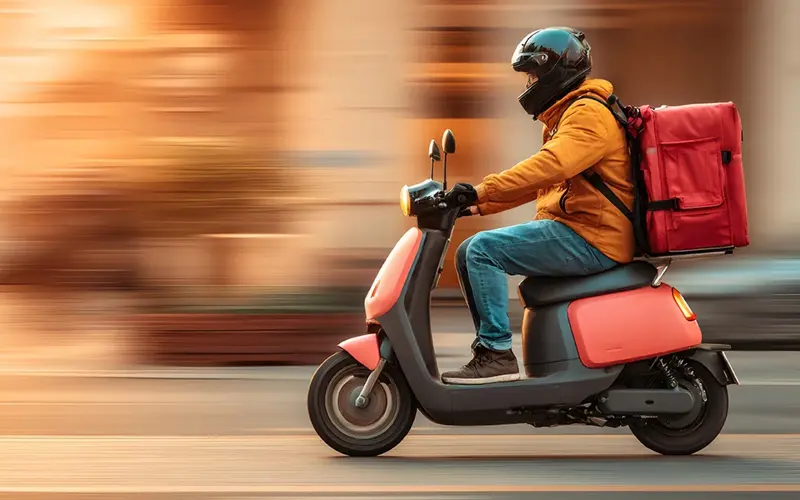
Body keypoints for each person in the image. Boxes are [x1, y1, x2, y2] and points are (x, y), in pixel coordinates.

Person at [440, 27, 635, 385]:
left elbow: (550, 166)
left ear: (553, 71)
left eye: (532, 74)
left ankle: (496, 353)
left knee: (482, 251)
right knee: (469, 250)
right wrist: (478, 206)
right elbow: (547, 181)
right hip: (582, 229)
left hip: (592, 237)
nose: (529, 83)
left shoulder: (587, 114)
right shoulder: (568, 114)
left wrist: (483, 190)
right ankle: (494, 352)